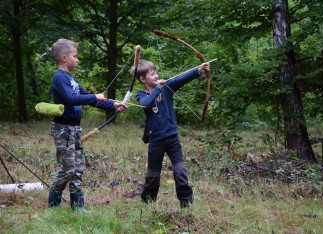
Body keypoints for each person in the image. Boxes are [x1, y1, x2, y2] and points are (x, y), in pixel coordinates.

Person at [48, 38, 126, 210]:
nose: (77, 59)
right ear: (63, 58)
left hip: (74, 129)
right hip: (63, 130)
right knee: (67, 168)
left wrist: (113, 104)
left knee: (77, 168)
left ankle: (78, 206)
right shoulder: (59, 77)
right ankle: (53, 204)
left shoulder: (70, 79)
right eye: (74, 56)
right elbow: (72, 99)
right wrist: (95, 96)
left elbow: (88, 99)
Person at [131, 59, 210, 208]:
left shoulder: (167, 87)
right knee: (153, 176)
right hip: (156, 140)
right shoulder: (141, 94)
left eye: (156, 73)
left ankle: (185, 203)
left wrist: (199, 70)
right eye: (152, 74)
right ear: (142, 79)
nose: (156, 76)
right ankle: (148, 203)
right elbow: (146, 103)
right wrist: (158, 88)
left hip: (172, 138)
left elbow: (181, 78)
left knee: (180, 171)